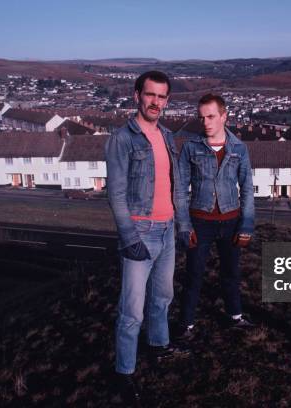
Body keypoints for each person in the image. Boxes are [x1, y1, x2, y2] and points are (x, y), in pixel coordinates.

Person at [105, 70, 189, 405]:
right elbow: (115, 193)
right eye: (150, 95)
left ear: (167, 100)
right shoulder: (121, 138)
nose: (155, 102)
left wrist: (182, 226)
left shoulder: (168, 136)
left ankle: (159, 345)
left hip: (167, 229)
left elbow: (177, 186)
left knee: (163, 296)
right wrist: (129, 237)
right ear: (137, 94)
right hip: (139, 231)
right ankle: (123, 372)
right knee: (131, 311)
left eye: (162, 96)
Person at [176, 93, 256, 341]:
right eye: (201, 118)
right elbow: (179, 189)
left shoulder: (239, 148)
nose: (206, 123)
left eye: (211, 116)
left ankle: (235, 316)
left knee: (231, 273)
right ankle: (186, 324)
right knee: (194, 274)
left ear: (224, 116)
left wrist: (246, 224)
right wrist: (183, 225)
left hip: (231, 222)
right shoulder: (190, 148)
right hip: (199, 222)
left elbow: (247, 188)